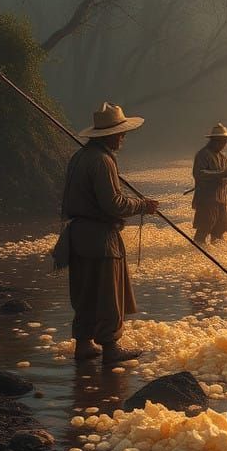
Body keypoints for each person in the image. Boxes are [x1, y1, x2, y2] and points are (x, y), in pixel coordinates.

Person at [61, 102, 159, 364]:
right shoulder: (103, 161)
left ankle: (83, 344)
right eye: (121, 133)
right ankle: (111, 348)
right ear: (109, 135)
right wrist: (142, 205)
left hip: (79, 237)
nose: (123, 137)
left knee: (86, 292)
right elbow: (113, 204)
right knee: (108, 294)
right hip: (100, 238)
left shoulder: (80, 157)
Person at [192, 123, 227, 244]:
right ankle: (198, 250)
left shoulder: (223, 156)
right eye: (221, 141)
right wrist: (223, 173)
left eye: (225, 141)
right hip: (206, 199)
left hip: (221, 198)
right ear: (213, 140)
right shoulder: (203, 154)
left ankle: (217, 253)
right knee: (205, 226)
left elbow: (225, 177)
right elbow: (199, 174)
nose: (224, 144)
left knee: (220, 228)